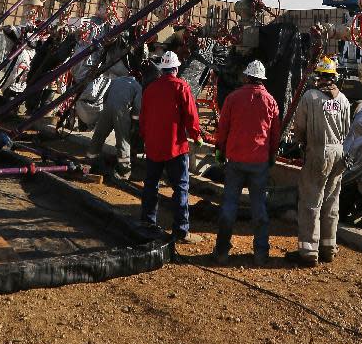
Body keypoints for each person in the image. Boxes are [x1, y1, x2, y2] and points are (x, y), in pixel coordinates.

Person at [213, 59, 280, 267]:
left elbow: (223, 128)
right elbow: (275, 133)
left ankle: (222, 251)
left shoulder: (233, 98)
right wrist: (271, 155)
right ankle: (261, 253)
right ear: (262, 79)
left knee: (229, 206)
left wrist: (219, 149)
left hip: (235, 160)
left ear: (246, 77)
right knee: (259, 208)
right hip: (259, 161)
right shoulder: (270, 101)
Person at [285, 55, 350, 267]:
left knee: (311, 201)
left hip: (318, 153)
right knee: (332, 201)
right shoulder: (343, 100)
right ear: (334, 76)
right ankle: (328, 248)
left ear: (318, 77)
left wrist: (302, 145)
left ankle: (308, 251)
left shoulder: (311, 97)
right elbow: (348, 130)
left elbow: (300, 127)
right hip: (339, 153)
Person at [138, 49, 201, 244]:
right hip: (175, 147)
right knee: (181, 187)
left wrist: (145, 138)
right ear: (176, 68)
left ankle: (148, 222)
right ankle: (181, 230)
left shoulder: (150, 89)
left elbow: (143, 118)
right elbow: (191, 115)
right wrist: (196, 135)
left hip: (154, 146)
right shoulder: (181, 87)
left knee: (150, 185)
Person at [85, 60, 142, 178]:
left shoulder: (116, 81)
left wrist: (107, 108)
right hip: (121, 112)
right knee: (123, 140)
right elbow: (137, 108)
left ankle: (90, 161)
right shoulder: (137, 87)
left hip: (107, 109)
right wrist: (134, 122)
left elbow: (105, 96)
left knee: (99, 135)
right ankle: (124, 171)